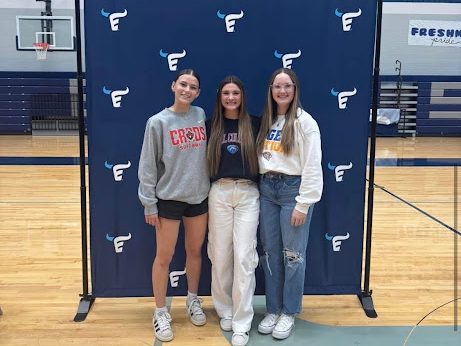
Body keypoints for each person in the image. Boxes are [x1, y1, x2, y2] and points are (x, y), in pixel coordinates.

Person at [138, 69, 210, 342]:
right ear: (173, 86)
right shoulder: (157, 122)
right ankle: (159, 312)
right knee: (164, 257)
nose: (187, 90)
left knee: (194, 252)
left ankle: (192, 300)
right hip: (168, 199)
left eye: (192, 86)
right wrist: (149, 204)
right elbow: (147, 166)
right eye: (183, 84)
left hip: (198, 197)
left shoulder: (200, 115)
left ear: (198, 92)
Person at [256, 68, 323, 340]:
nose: (282, 91)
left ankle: (289, 311)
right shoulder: (267, 121)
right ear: (270, 90)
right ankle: (273, 309)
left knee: (293, 256)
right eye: (277, 87)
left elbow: (312, 164)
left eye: (287, 86)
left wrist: (303, 203)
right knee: (271, 254)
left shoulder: (305, 122)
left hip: (291, 191)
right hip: (267, 190)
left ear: (295, 89)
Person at [206, 76, 260, 346]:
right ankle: (225, 309)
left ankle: (242, 321)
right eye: (226, 93)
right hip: (220, 192)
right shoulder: (210, 126)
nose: (230, 97)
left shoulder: (255, 124)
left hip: (249, 193)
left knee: (243, 257)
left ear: (242, 96)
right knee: (220, 255)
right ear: (220, 97)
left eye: (235, 93)